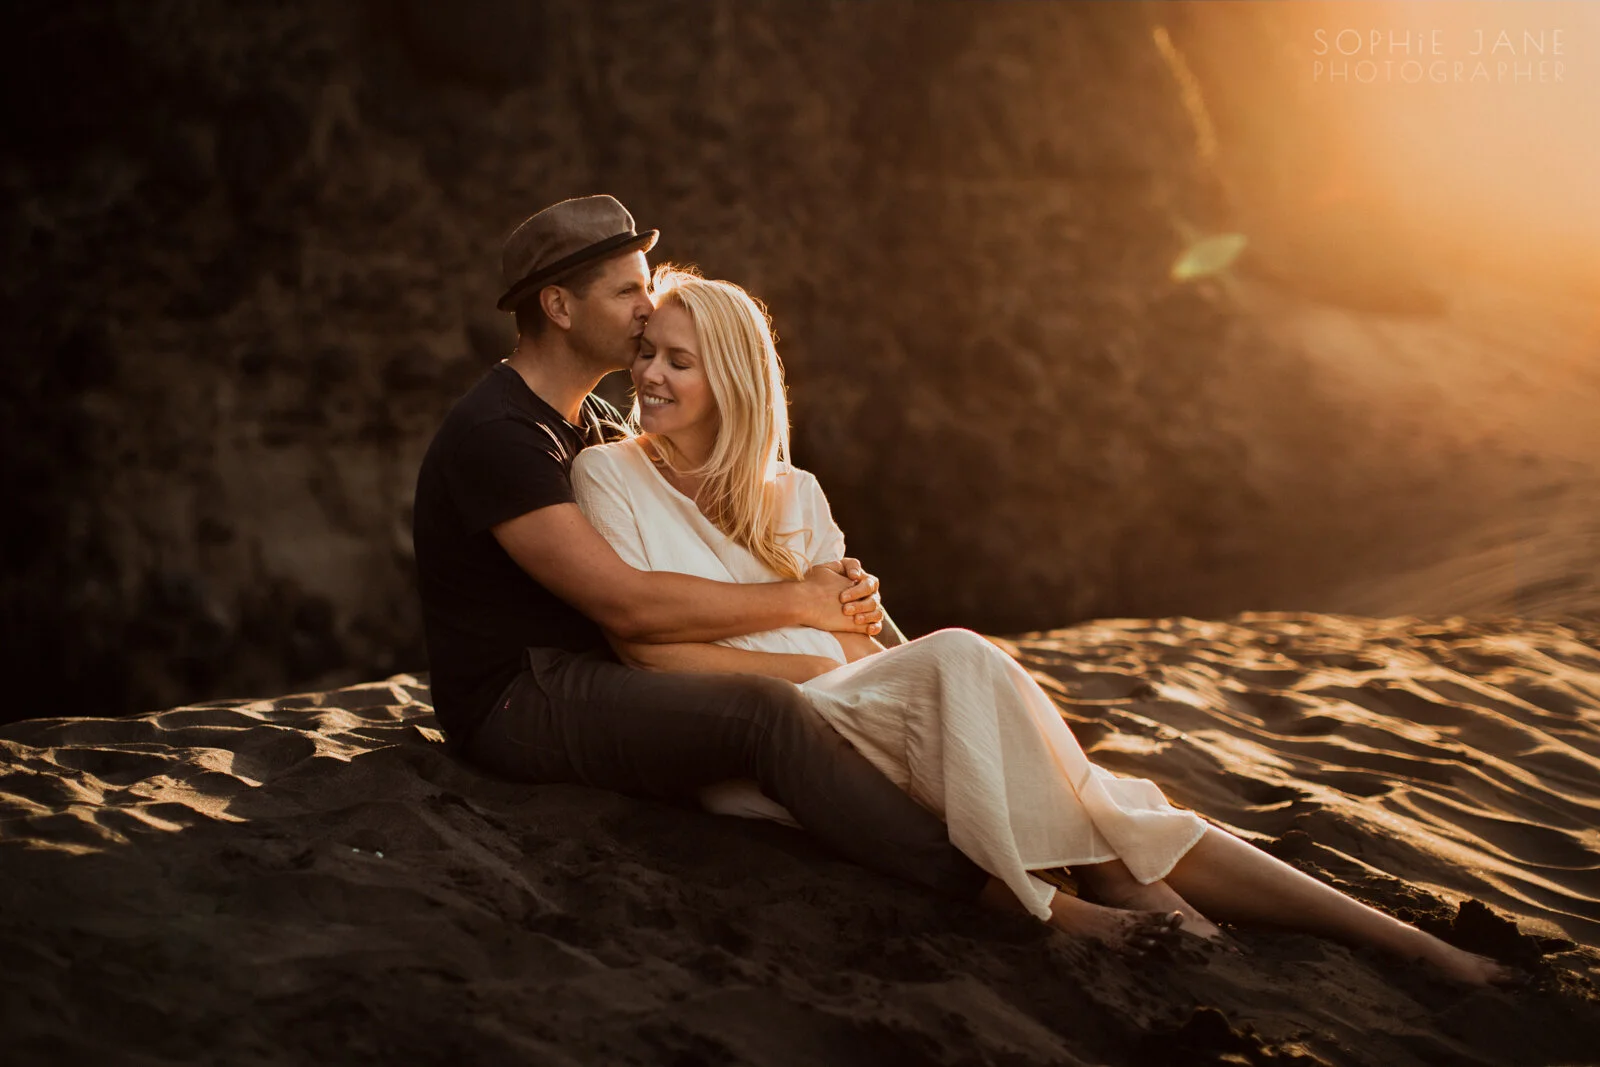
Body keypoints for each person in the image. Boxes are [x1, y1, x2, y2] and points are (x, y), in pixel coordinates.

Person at [566, 263, 1523, 987]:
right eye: (647, 353)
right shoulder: (609, 473)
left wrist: (846, 653)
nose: (648, 374)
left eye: (678, 360)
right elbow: (645, 648)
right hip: (776, 742)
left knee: (1107, 796)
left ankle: (1406, 942)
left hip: (871, 708)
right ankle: (1130, 887)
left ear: (735, 378)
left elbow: (866, 638)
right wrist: (815, 660)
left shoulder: (795, 493)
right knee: (972, 669)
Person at [411, 195, 1183, 955]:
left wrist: (878, 637)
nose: (647, 308)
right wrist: (803, 604)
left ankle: (1076, 839)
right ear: (559, 306)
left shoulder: (594, 422)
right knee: (765, 712)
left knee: (905, 679)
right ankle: (1026, 902)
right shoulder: (499, 433)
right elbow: (626, 604)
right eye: (627, 291)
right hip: (520, 699)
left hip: (592, 672)